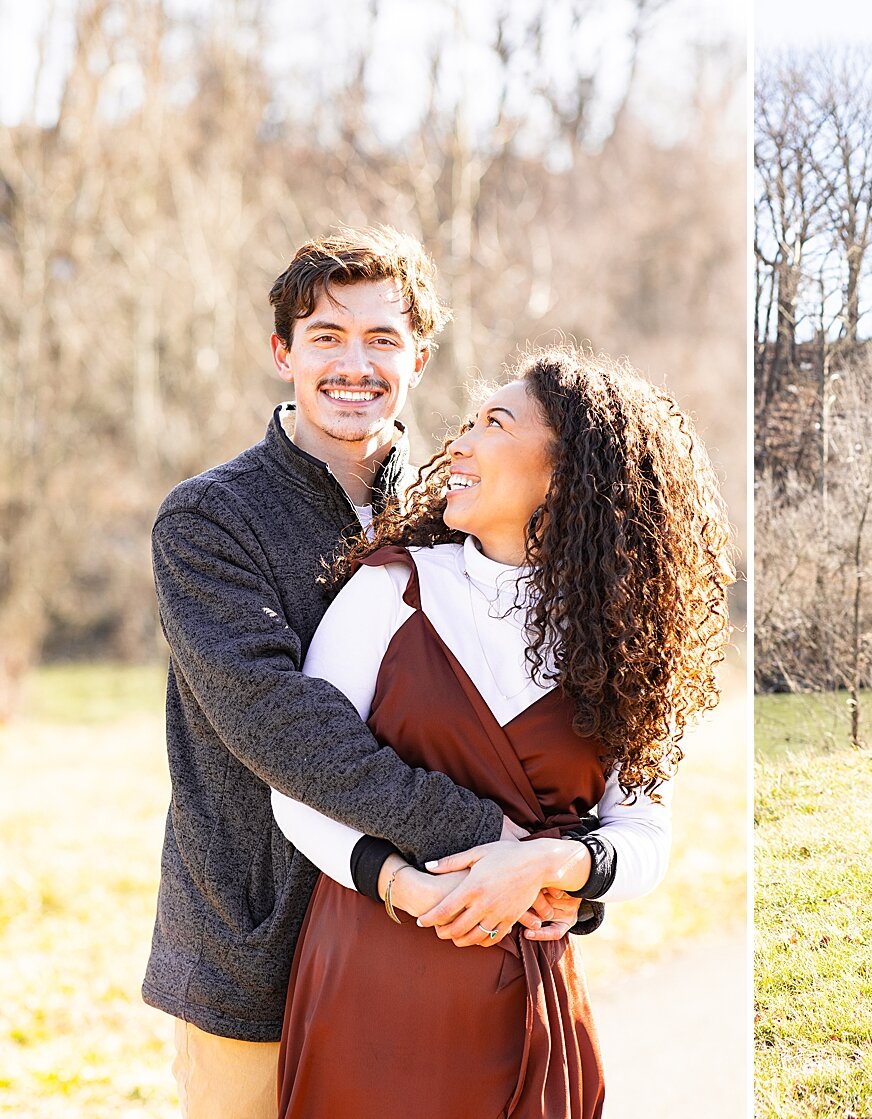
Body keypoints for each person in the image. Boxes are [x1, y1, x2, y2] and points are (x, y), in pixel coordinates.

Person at [145, 228, 607, 1117]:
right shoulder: (208, 520)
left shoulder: (459, 503)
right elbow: (287, 728)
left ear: (420, 358)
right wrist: (493, 839)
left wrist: (561, 873)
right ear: (282, 352)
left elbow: (521, 698)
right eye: (326, 336)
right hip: (257, 953)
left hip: (430, 956)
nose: (354, 364)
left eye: (382, 339)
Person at [264, 347, 732, 1117]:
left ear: (568, 470)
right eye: (469, 421)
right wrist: (404, 887)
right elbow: (297, 787)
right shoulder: (391, 587)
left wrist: (556, 861)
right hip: (369, 991)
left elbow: (645, 833)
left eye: (495, 423)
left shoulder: (624, 643)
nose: (460, 441)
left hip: (532, 1012)